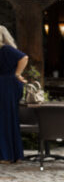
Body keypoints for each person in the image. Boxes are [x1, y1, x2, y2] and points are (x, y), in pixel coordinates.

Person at [0, 25, 28, 164]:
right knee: (6, 119)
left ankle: (7, 156)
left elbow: (24, 57)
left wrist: (17, 74)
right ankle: (12, 155)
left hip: (7, 86)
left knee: (5, 118)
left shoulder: (6, 49)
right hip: (5, 85)